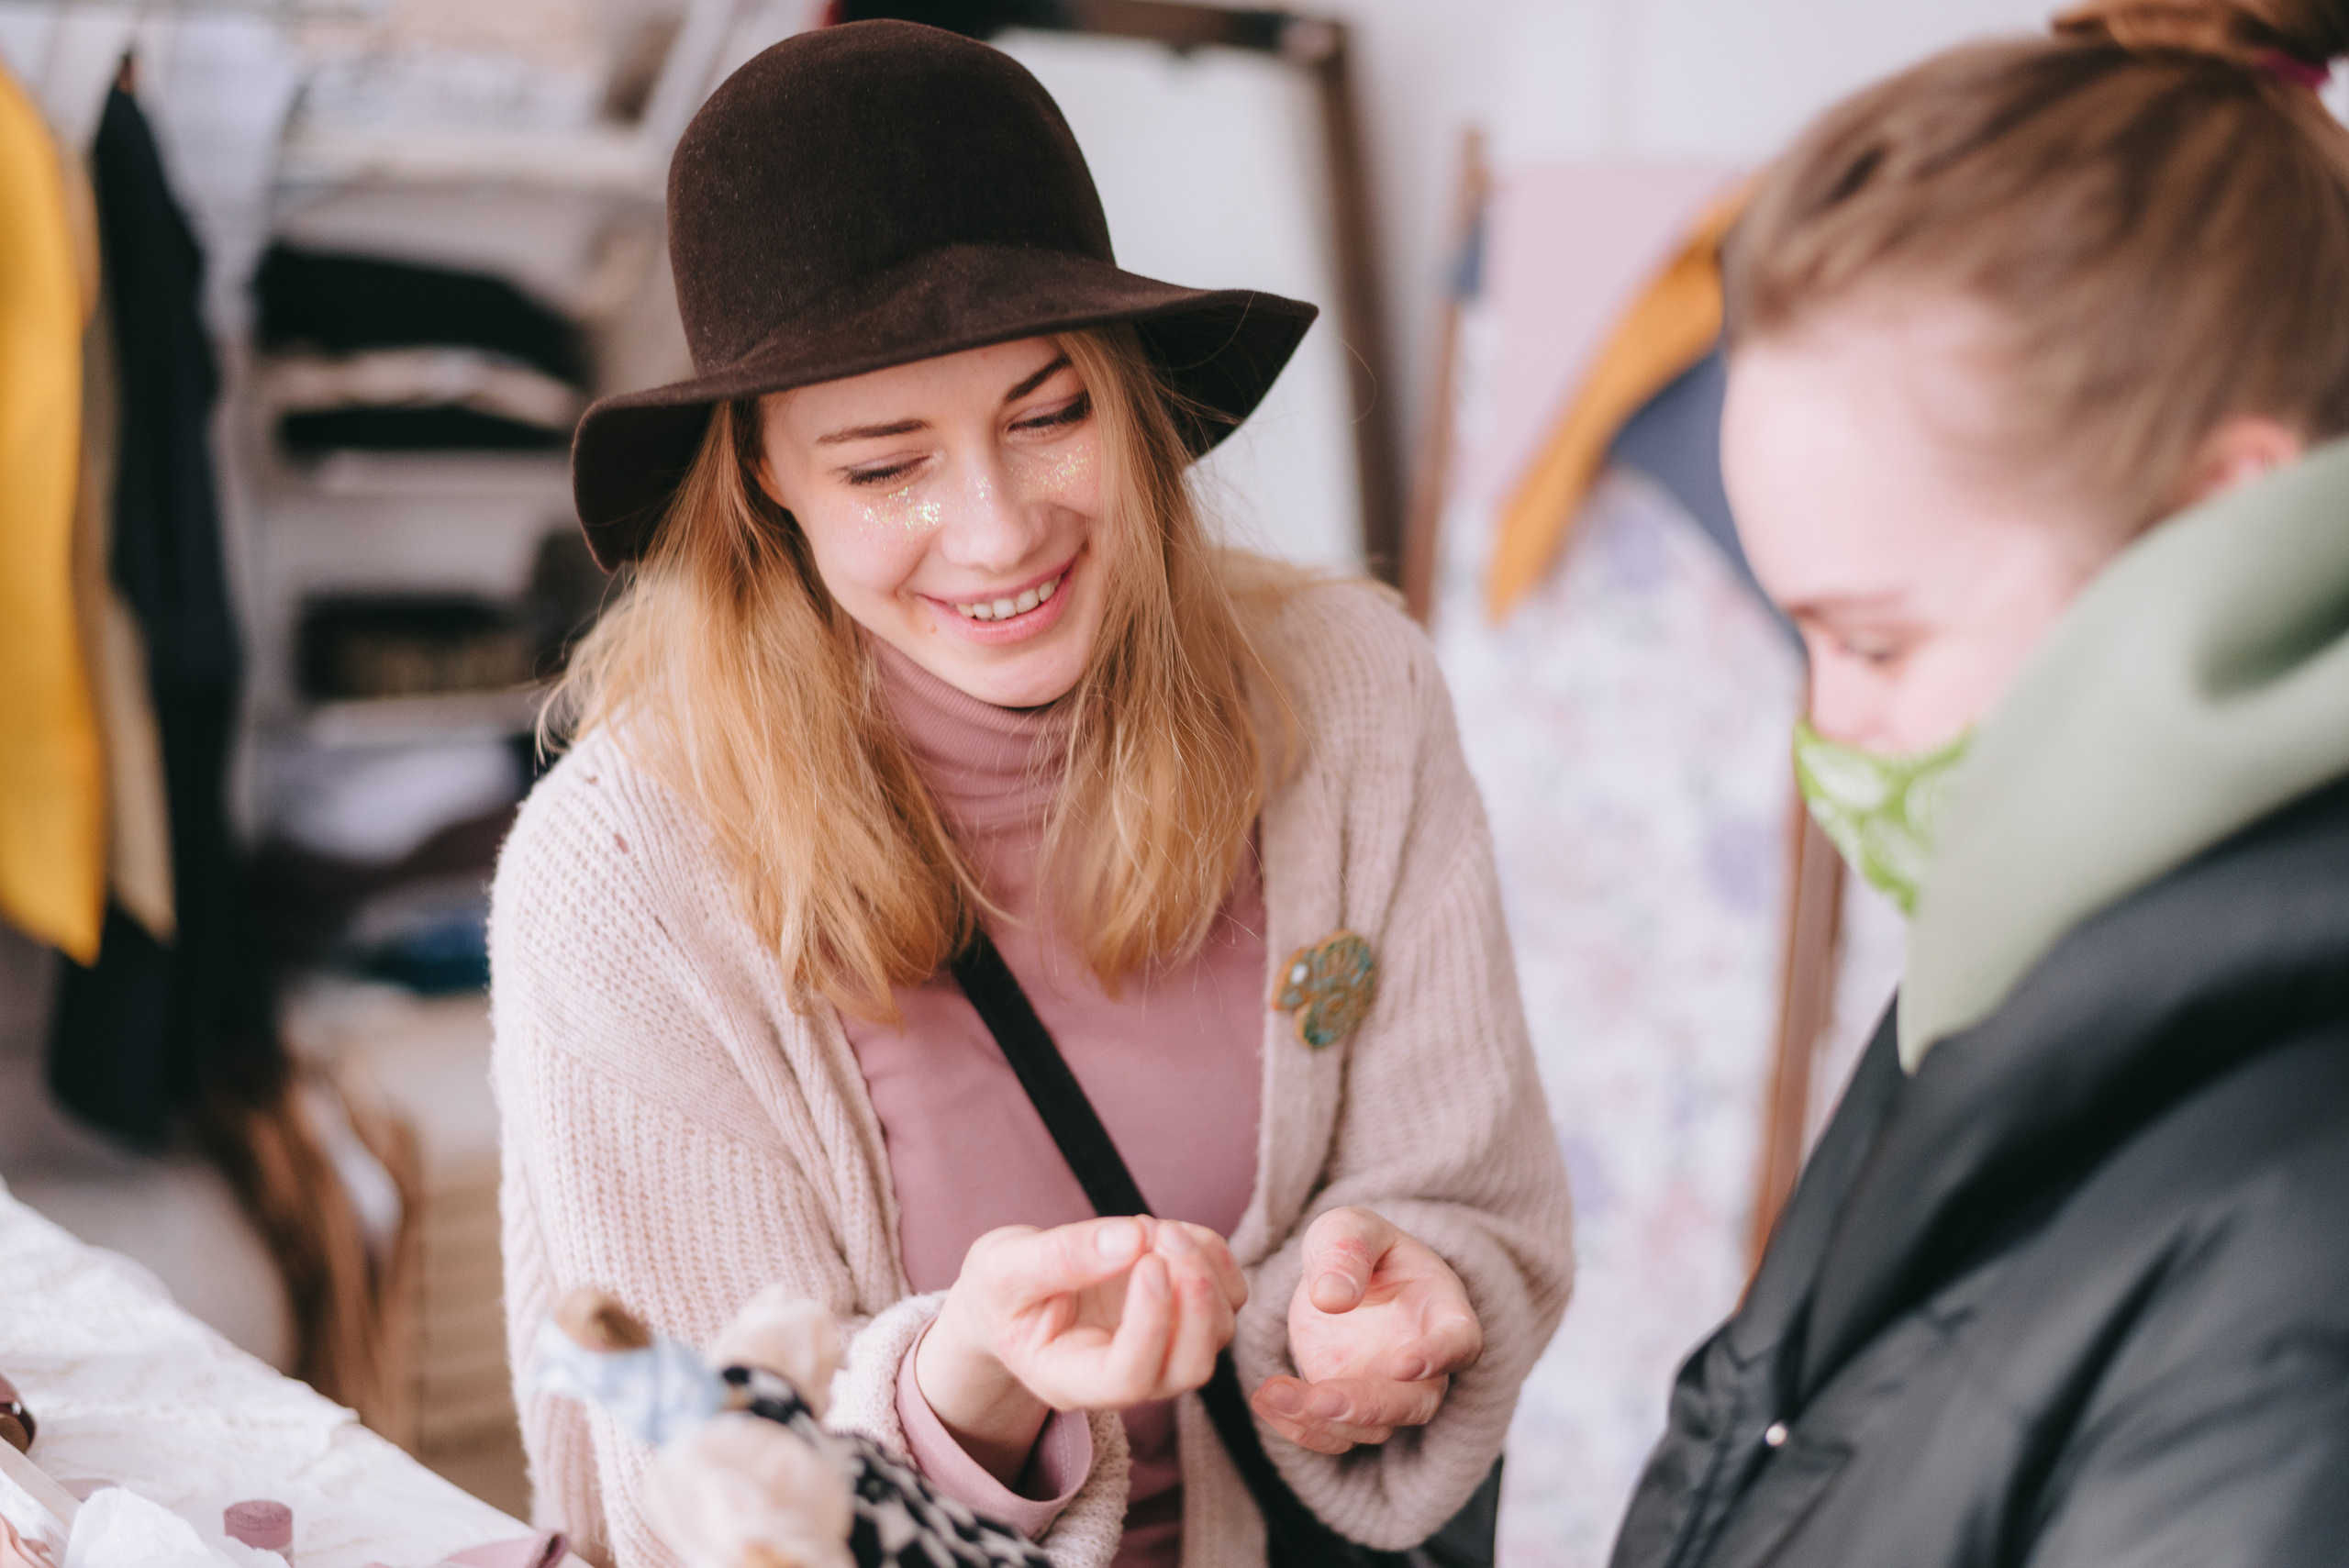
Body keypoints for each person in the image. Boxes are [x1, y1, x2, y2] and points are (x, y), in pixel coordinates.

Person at [490, 21, 1573, 1568]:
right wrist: (965, 1385)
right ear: (764, 478)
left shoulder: (1351, 696)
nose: (995, 534)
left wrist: (1400, 1292)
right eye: (885, 466)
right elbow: (692, 1473)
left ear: (1131, 394)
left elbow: (1470, 1184)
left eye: (1047, 414)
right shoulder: (625, 873)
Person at [1610, 4, 2349, 1565]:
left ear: (2218, 525)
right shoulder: (2016, 967)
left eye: (1873, 639)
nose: (1828, 725)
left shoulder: (2302, 1252)